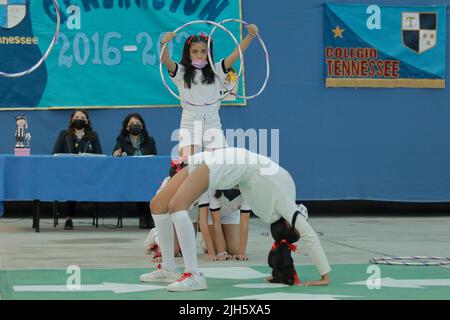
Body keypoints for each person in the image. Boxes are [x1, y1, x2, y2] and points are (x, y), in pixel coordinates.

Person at [145, 147, 331, 291]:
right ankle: (169, 268)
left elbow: (308, 234)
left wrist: (324, 275)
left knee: (176, 207)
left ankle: (193, 274)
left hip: (227, 165)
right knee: (157, 205)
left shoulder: (280, 204)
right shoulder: (282, 198)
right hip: (225, 158)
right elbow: (307, 233)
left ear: (289, 225)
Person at [160, 24, 259, 159]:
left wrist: (250, 36)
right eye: (194, 52)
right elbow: (166, 61)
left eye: (203, 51)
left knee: (222, 164)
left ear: (209, 52)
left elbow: (237, 54)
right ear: (188, 54)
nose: (199, 55)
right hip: (189, 123)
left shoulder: (217, 70)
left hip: (212, 122)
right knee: (186, 165)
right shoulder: (181, 72)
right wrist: (163, 43)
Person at [52, 110, 103, 230]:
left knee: (79, 182)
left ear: (87, 121)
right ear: (71, 120)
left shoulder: (93, 136)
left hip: (88, 173)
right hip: (67, 173)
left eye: (82, 117)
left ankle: (84, 203)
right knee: (72, 182)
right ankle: (68, 219)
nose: (79, 119)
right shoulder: (63, 135)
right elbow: (55, 154)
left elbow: (100, 155)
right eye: (76, 117)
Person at [112, 113, 157, 229]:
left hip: (147, 173)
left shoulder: (150, 140)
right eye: (132, 124)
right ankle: (143, 216)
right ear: (127, 127)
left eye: (137, 124)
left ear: (142, 126)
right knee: (139, 183)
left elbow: (155, 157)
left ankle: (149, 216)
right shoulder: (121, 139)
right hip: (129, 174)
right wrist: (116, 153)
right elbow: (115, 152)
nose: (135, 126)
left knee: (148, 183)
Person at [200, 189, 251, 261]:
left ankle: (223, 237)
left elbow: (245, 222)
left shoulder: (247, 189)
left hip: (231, 213)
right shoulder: (215, 187)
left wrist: (241, 253)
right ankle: (205, 242)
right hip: (212, 215)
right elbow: (216, 223)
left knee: (234, 251)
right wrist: (221, 252)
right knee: (217, 250)